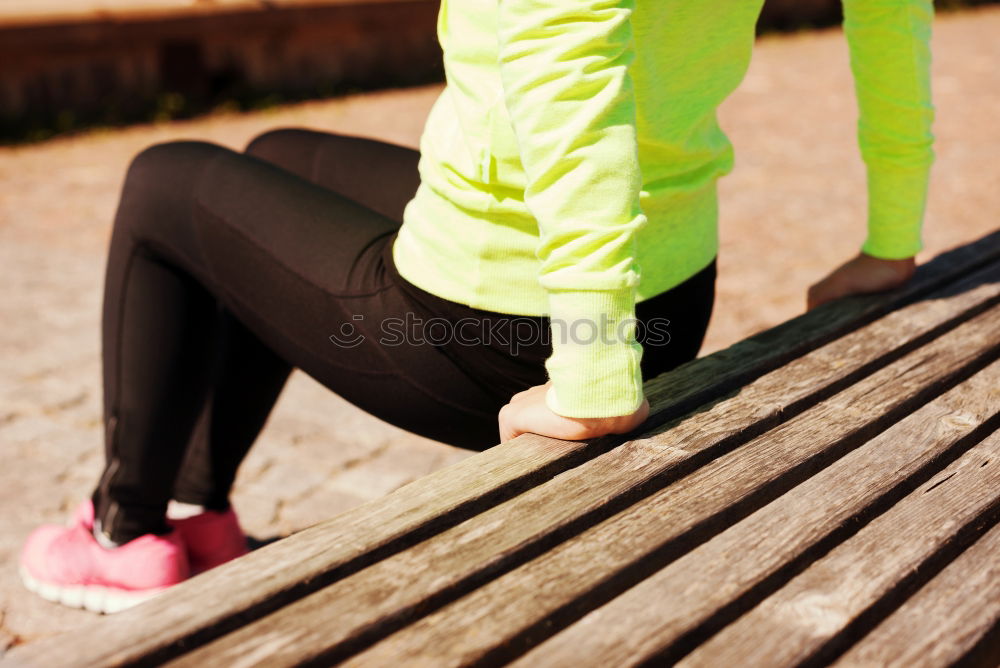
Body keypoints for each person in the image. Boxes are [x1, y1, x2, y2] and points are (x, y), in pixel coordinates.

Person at [19, 0, 933, 613]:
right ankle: (200, 511)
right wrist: (891, 237)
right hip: (671, 288)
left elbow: (568, 64)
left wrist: (591, 367)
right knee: (275, 153)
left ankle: (123, 533)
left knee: (162, 186)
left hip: (498, 334)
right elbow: (892, 14)